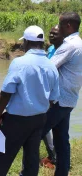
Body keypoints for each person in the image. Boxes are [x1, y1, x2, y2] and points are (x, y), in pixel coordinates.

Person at [0, 25, 60, 176]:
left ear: (26, 42)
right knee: (31, 158)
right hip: (39, 119)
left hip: (16, 120)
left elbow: (5, 93)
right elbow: (53, 98)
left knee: (3, 158)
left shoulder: (19, 63)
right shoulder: (51, 66)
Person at [41, 12, 82, 176]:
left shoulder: (70, 45)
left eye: (61, 25)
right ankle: (62, 172)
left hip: (58, 100)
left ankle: (27, 171)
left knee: (34, 134)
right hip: (69, 99)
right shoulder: (79, 43)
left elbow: (48, 68)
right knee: (61, 140)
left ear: (69, 26)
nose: (58, 28)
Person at [41, 24, 63, 169]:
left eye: (55, 33)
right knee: (49, 127)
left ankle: (54, 157)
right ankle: (54, 156)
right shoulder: (50, 49)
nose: (51, 36)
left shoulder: (62, 51)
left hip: (56, 95)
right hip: (47, 92)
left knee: (44, 126)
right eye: (50, 33)